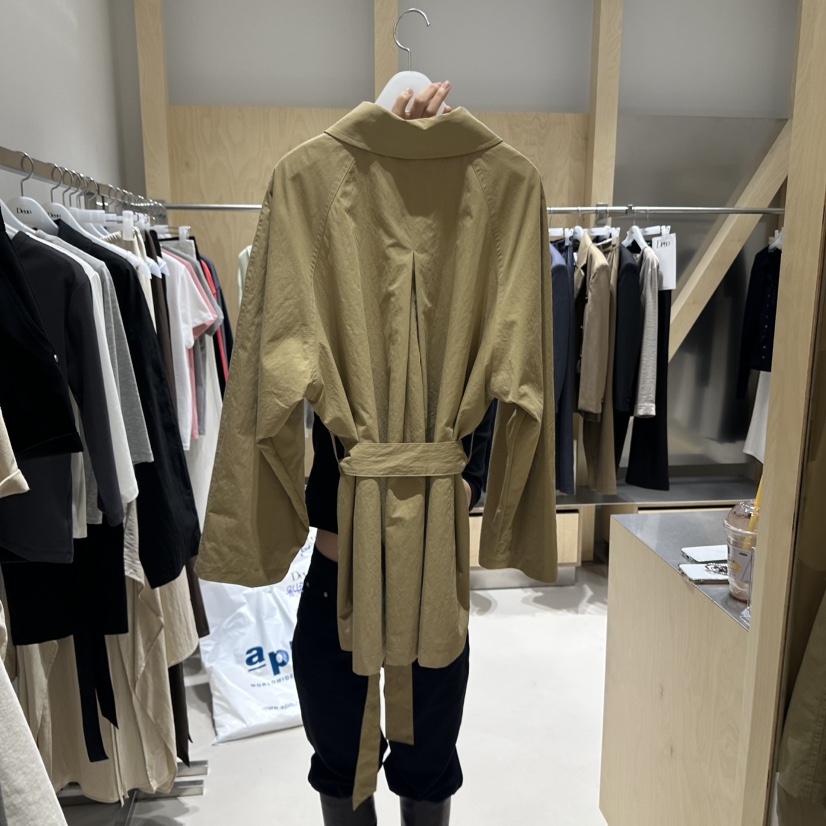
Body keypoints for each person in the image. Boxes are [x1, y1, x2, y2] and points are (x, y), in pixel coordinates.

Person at [292, 83, 497, 826]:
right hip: (341, 569)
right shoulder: (320, 204)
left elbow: (510, 374)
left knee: (427, 765)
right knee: (341, 761)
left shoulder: (487, 215)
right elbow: (274, 369)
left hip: (431, 565)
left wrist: (466, 478)